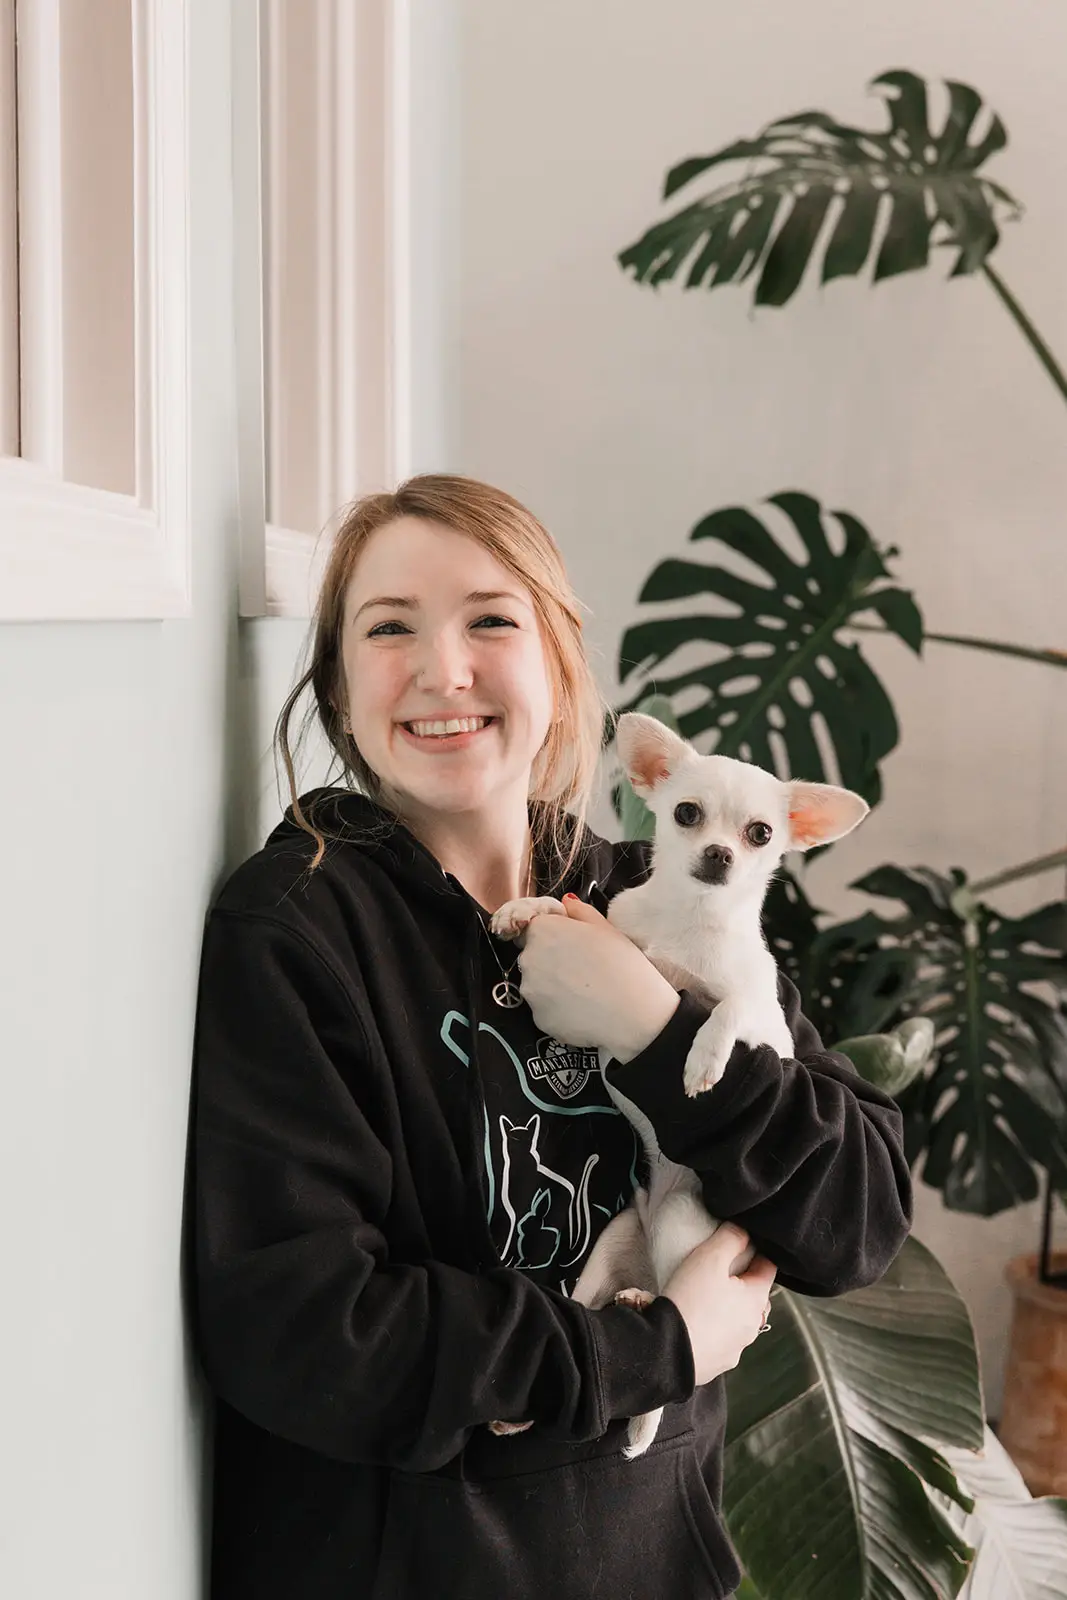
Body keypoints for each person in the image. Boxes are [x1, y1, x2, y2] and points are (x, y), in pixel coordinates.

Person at [191, 474, 912, 1599]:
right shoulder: (297, 930)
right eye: (390, 628)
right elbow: (307, 1331)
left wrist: (651, 1028)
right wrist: (654, 1349)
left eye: (489, 619)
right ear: (336, 680)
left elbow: (859, 1216)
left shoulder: (650, 897)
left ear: (559, 661)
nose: (445, 670)